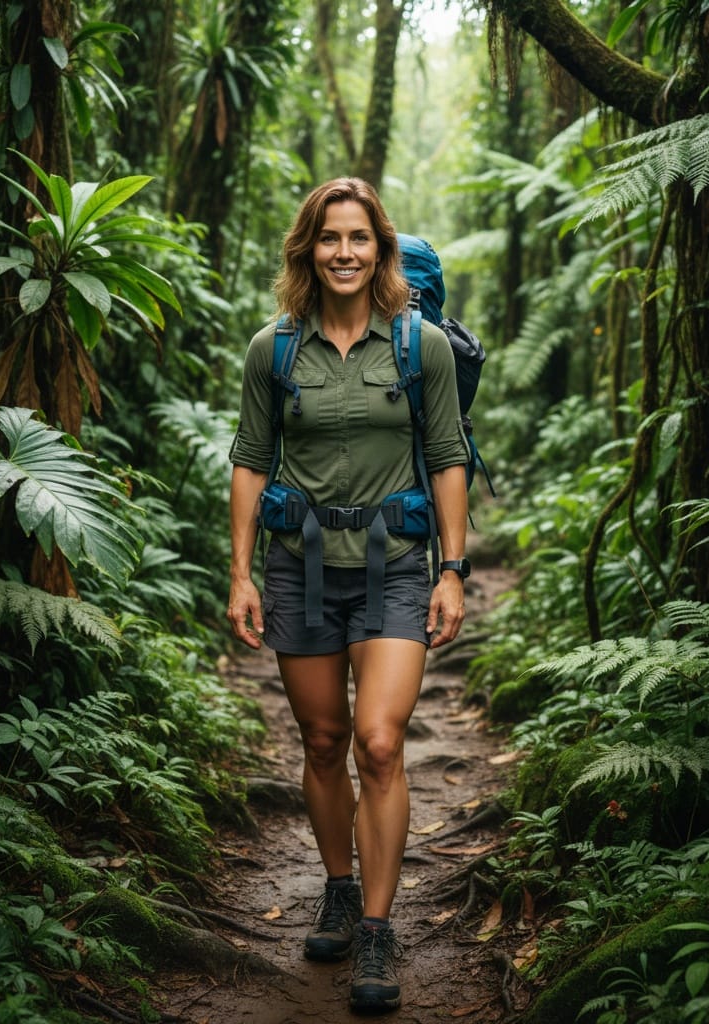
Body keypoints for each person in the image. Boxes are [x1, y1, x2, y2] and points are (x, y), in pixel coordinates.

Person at [227, 177, 470, 1013]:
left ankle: (374, 927)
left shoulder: (418, 346)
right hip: (297, 564)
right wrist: (240, 573)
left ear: (381, 249)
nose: (343, 252)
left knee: (377, 741)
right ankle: (336, 885)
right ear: (308, 248)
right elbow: (251, 459)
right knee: (324, 739)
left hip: (396, 562)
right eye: (329, 238)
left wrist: (452, 568)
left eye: (359, 238)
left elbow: (447, 456)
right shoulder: (275, 349)